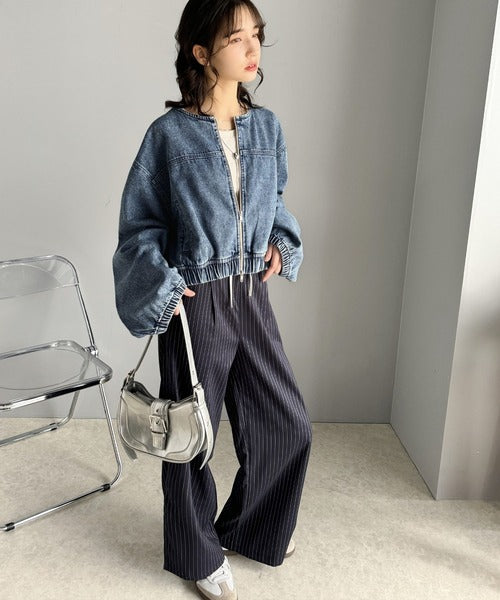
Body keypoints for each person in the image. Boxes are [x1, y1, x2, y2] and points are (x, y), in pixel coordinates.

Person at [112, 1, 312, 598]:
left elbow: (273, 200)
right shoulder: (168, 136)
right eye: (235, 38)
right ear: (202, 52)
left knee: (287, 423)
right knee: (191, 434)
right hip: (196, 301)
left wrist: (279, 241)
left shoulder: (267, 128)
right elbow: (139, 227)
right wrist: (164, 286)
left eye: (256, 35)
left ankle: (253, 525)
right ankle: (197, 553)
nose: (252, 48)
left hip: (250, 292)